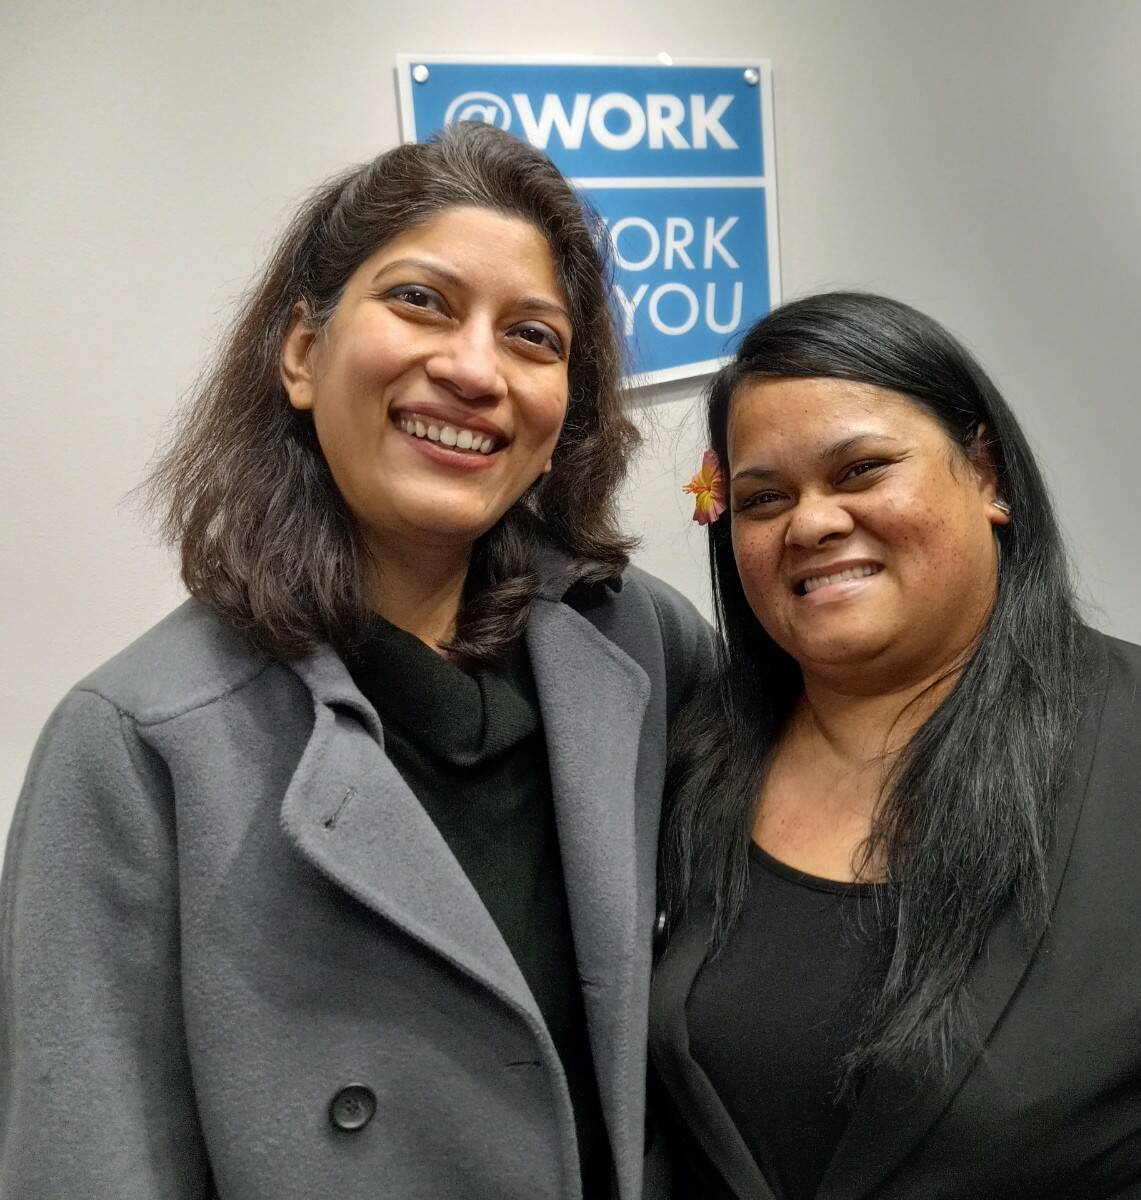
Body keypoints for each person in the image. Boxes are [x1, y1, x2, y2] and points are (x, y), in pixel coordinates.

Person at [0, 123, 712, 1200]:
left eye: (533, 336)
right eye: (420, 300)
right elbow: (85, 1162)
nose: (475, 369)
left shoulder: (638, 643)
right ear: (301, 351)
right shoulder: (140, 742)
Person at [651, 291, 1141, 1199]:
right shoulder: (698, 759)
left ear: (987, 474)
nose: (811, 522)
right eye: (763, 498)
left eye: (862, 470)